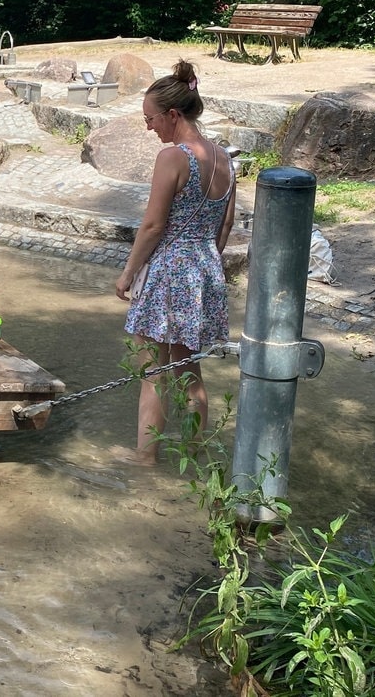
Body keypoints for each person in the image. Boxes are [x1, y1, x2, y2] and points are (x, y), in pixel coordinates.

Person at [112, 59, 236, 466]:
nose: (149, 127)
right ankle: (197, 454)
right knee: (189, 371)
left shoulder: (173, 157)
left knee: (153, 370)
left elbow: (151, 225)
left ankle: (145, 458)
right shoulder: (224, 160)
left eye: (150, 119)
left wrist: (128, 273)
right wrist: (206, 267)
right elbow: (225, 226)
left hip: (170, 270)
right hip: (204, 269)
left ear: (172, 114)